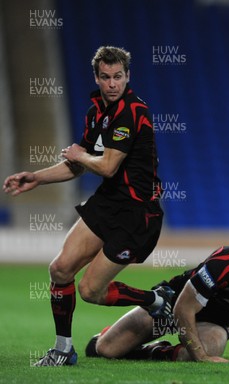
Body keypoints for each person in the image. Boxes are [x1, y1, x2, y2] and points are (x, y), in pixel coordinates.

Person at [3, 46, 173, 366]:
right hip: (107, 203)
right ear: (97, 77)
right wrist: (36, 178)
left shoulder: (133, 111)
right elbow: (76, 165)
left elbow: (106, 166)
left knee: (91, 290)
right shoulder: (97, 109)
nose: (112, 84)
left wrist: (79, 156)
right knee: (59, 269)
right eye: (106, 77)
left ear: (128, 76)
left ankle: (154, 299)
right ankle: (63, 349)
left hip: (137, 213)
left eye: (118, 77)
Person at [85, 224, 229, 364]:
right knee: (104, 349)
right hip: (171, 304)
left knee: (211, 346)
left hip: (216, 322)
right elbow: (184, 308)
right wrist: (201, 356)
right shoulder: (225, 262)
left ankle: (154, 352)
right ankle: (114, 337)